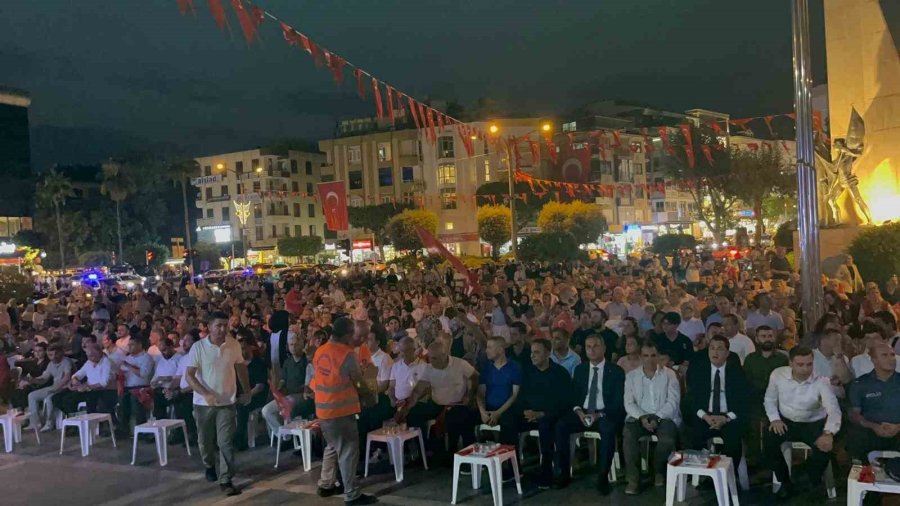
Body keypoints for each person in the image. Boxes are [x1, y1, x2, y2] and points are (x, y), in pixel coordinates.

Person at [311, 317, 378, 505]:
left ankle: (326, 484)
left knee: (333, 446)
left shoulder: (320, 351)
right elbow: (358, 381)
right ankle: (352, 494)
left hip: (323, 410)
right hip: (341, 410)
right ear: (348, 334)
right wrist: (368, 396)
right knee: (348, 451)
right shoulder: (346, 354)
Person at [184, 311, 252, 497]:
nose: (222, 329)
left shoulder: (233, 344)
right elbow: (189, 376)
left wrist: (246, 390)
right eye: (218, 326)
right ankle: (208, 464)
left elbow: (240, 367)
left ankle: (226, 479)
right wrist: (205, 394)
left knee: (225, 442)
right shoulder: (198, 347)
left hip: (227, 401)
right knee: (205, 442)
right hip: (203, 404)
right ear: (209, 327)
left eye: (225, 325)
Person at [764, 346, 841, 501]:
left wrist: (828, 433)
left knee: (824, 448)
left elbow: (834, 410)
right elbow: (770, 399)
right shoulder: (778, 374)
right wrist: (775, 419)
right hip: (786, 421)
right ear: (790, 363)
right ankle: (785, 482)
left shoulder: (822, 381)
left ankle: (809, 480)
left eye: (809, 364)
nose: (806, 369)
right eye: (800, 365)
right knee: (768, 442)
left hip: (813, 423)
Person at [553, 334, 625, 495]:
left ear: (604, 348)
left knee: (607, 429)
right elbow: (573, 396)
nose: (591, 350)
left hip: (605, 413)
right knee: (561, 425)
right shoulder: (580, 369)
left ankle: (603, 476)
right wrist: (579, 412)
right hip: (583, 412)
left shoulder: (616, 371)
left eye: (595, 346)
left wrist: (598, 415)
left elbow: (618, 402)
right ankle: (564, 473)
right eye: (588, 347)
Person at [502, 339, 572, 489]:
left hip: (549, 415)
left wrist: (542, 413)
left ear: (547, 353)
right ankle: (513, 467)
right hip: (529, 414)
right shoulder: (528, 372)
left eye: (536, 352)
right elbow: (520, 396)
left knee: (546, 426)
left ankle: (547, 471)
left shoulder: (560, 373)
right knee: (508, 420)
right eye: (531, 352)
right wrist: (525, 411)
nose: (532, 356)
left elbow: (565, 402)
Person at [400, 339, 478, 457]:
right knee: (414, 414)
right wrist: (406, 408)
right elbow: (417, 391)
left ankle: (457, 454)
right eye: (430, 358)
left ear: (444, 355)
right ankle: (424, 449)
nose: (431, 361)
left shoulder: (460, 364)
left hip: (458, 404)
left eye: (434, 358)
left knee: (458, 418)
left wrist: (470, 395)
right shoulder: (429, 368)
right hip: (436, 404)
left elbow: (475, 377)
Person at [622, 340, 680, 495]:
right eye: (646, 356)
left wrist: (657, 417)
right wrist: (642, 417)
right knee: (628, 436)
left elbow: (673, 402)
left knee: (667, 440)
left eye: (653, 355)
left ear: (658, 356)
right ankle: (633, 480)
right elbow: (628, 403)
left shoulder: (669, 374)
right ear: (641, 357)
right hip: (639, 416)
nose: (649, 359)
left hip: (663, 416)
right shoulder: (631, 376)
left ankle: (657, 470)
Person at [686, 335, 749, 469]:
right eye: (712, 348)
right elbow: (691, 399)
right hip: (705, 416)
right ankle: (701, 475)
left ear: (727, 353)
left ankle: (729, 475)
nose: (715, 352)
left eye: (719, 349)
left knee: (733, 444)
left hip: (728, 417)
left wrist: (726, 418)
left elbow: (743, 401)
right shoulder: (699, 371)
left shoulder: (737, 372)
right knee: (693, 438)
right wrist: (705, 416)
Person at [742, 326, 788, 465]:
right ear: (757, 339)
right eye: (763, 336)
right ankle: (754, 459)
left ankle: (772, 458)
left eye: (770, 336)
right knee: (751, 422)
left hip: (777, 399)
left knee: (773, 424)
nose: (767, 339)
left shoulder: (783, 359)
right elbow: (746, 382)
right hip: (755, 398)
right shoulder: (750, 359)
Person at [847, 342, 900, 461]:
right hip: (871, 431)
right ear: (874, 360)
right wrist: (874, 426)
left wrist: (898, 427)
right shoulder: (860, 384)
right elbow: (854, 414)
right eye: (884, 355)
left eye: (892, 355)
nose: (891, 359)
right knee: (856, 435)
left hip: (898, 431)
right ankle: (860, 469)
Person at [262, 332, 314, 438]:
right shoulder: (287, 362)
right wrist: (278, 389)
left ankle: (289, 435)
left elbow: (309, 382)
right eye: (291, 345)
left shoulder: (307, 361)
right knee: (266, 410)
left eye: (296, 344)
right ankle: (283, 436)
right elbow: (283, 379)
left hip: (302, 396)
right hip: (288, 395)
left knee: (287, 405)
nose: (293, 347)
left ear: (302, 345)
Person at [477, 336, 523, 446]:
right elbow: (480, 394)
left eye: (490, 347)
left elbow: (514, 395)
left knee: (509, 422)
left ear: (501, 350)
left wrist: (498, 413)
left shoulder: (514, 367)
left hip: (507, 410)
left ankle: (509, 455)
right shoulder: (486, 369)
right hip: (488, 409)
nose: (486, 350)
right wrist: (482, 412)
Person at [53, 342, 116, 420]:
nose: (90, 358)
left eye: (92, 356)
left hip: (101, 391)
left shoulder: (106, 362)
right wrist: (74, 380)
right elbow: (79, 374)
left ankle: (77, 420)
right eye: (88, 356)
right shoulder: (89, 362)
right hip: (87, 389)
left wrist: (86, 387)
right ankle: (74, 418)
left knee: (69, 400)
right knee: (56, 398)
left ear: (100, 353)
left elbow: (104, 383)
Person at [25, 344, 73, 432]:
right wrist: (34, 380)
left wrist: (56, 388)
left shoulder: (66, 362)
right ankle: (35, 422)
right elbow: (45, 378)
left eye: (56, 354)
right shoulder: (51, 364)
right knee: (31, 395)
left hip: (65, 387)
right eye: (50, 355)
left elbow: (67, 377)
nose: (53, 357)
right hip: (53, 387)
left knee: (49, 398)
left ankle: (49, 423)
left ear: (61, 353)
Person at [233, 336, 269, 451]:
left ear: (250, 348)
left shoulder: (258, 364)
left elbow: (260, 386)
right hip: (241, 395)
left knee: (243, 406)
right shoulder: (237, 365)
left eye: (243, 348)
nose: (241, 352)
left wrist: (247, 396)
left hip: (257, 396)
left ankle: (240, 439)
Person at [118, 337, 155, 436]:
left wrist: (129, 366)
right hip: (127, 388)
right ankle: (124, 430)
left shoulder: (146, 358)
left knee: (136, 404)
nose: (129, 347)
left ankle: (142, 431)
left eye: (132, 344)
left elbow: (143, 374)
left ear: (140, 345)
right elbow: (121, 371)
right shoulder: (127, 358)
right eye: (129, 345)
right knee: (122, 404)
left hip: (142, 388)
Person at [812, 328, 853, 398]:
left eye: (840, 341)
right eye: (836, 340)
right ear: (823, 341)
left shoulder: (843, 358)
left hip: (838, 398)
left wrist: (840, 358)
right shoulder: (811, 356)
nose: (839, 344)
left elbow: (846, 380)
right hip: (816, 396)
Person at [150, 337, 182, 420]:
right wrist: (154, 382)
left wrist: (168, 378)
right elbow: (155, 377)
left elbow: (182, 376)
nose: (163, 353)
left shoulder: (180, 358)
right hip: (160, 391)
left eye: (164, 350)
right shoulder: (160, 360)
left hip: (175, 390)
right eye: (161, 351)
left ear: (171, 347)